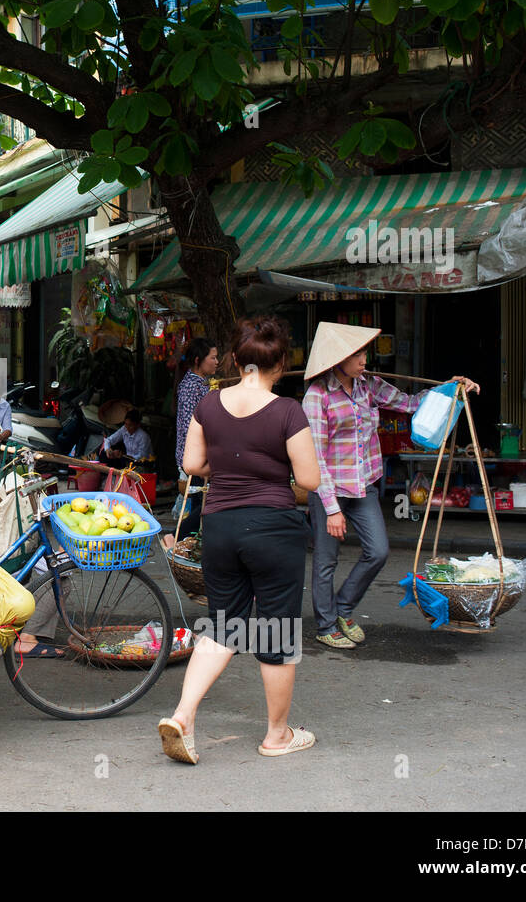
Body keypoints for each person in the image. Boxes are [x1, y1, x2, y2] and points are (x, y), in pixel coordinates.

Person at [158, 316, 322, 765]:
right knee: (276, 630)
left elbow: (192, 463)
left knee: (224, 626)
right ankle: (276, 736)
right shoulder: (288, 411)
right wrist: (269, 473)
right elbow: (309, 478)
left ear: (235, 359)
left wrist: (230, 469)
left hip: (221, 528)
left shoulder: (208, 405)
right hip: (273, 529)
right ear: (282, 364)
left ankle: (183, 715)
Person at [301, 322, 480, 649]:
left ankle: (343, 607)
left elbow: (411, 403)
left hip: (364, 485)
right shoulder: (317, 396)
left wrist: (450, 389)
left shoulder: (368, 385)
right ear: (337, 358)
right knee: (326, 561)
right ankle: (326, 626)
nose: (364, 359)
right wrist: (331, 510)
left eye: (364, 352)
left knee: (378, 551)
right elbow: (316, 458)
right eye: (357, 354)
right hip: (330, 490)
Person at [172, 337, 218, 537]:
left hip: (200, 455)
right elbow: (192, 426)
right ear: (199, 360)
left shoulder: (202, 384)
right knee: (205, 504)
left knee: (203, 503)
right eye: (213, 358)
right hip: (196, 456)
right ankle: (176, 537)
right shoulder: (192, 386)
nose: (216, 362)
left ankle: (194, 542)